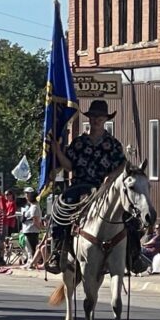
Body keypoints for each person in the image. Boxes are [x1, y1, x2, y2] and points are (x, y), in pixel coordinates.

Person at [46, 99, 136, 273]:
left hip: (104, 189)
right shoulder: (79, 142)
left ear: (105, 120)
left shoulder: (113, 144)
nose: (96, 120)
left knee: (129, 215)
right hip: (80, 185)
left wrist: (111, 176)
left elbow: (123, 165)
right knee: (60, 208)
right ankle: (58, 251)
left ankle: (134, 254)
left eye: (100, 118)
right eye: (93, 117)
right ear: (89, 119)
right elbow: (69, 165)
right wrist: (57, 151)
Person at [20, 188, 43, 268]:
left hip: (32, 231)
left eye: (28, 194)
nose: (26, 196)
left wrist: (41, 229)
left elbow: (35, 220)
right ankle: (30, 262)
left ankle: (32, 263)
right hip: (28, 230)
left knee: (32, 249)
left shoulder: (34, 207)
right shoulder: (31, 206)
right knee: (29, 249)